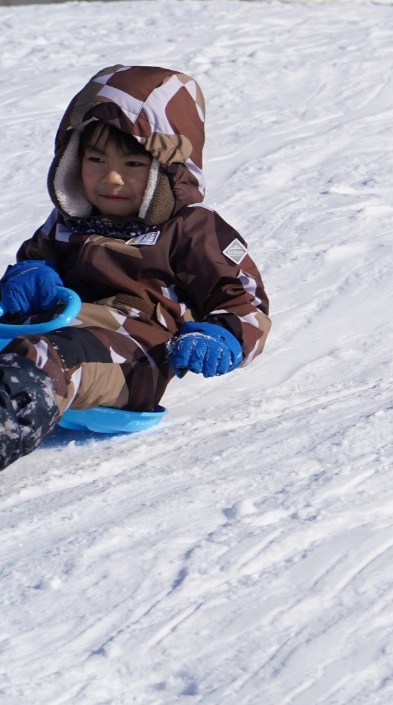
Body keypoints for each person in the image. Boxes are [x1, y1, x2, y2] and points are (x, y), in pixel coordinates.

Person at [0, 66, 271, 470]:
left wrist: (224, 336)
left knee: (43, 354)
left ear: (169, 168)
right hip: (50, 328)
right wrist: (26, 277)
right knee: (32, 347)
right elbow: (32, 260)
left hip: (131, 355)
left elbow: (244, 299)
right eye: (94, 159)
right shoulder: (66, 221)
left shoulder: (191, 230)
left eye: (132, 164)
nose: (111, 178)